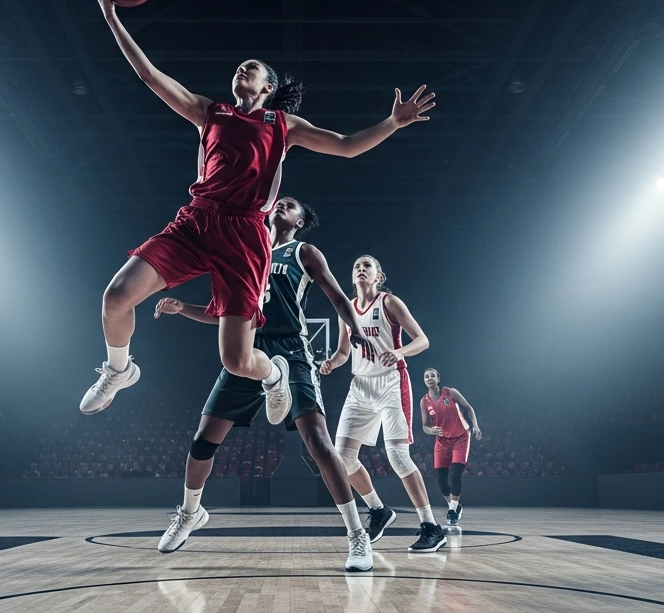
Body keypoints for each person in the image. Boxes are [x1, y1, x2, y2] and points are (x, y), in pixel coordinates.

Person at [80, 0, 437, 419]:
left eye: (251, 67)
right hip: (196, 220)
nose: (240, 68)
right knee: (116, 296)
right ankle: (119, 370)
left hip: (245, 237)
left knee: (236, 360)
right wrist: (111, 14)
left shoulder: (283, 126)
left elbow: (347, 148)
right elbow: (151, 76)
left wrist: (392, 123)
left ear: (267, 87)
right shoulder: (210, 112)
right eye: (238, 66)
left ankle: (274, 375)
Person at [152, 196, 373, 571]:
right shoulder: (246, 248)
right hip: (249, 349)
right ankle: (190, 513)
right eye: (280, 200)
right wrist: (183, 309)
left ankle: (356, 534)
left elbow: (337, 296)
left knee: (318, 442)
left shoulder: (303, 252)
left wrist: (354, 328)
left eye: (292, 204)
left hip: (291, 350)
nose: (283, 203)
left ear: (301, 220)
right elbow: (226, 314)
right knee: (203, 441)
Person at [321, 256, 446, 553]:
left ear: (378, 276)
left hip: (390, 382)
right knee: (343, 459)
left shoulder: (389, 302)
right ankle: (379, 510)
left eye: (367, 266)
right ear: (352, 278)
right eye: (356, 266)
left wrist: (400, 352)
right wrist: (331, 363)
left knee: (398, 457)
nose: (361, 269)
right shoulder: (346, 309)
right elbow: (342, 351)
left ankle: (431, 526)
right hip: (360, 387)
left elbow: (423, 340)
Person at [420, 367, 481, 526]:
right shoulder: (424, 401)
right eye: (427, 376)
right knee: (440, 479)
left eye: (432, 375)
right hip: (442, 441)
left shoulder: (450, 392)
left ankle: (453, 510)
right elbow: (425, 426)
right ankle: (453, 505)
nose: (430, 378)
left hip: (461, 437)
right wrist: (431, 430)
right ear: (424, 381)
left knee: (455, 474)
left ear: (438, 378)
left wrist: (475, 426)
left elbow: (469, 408)